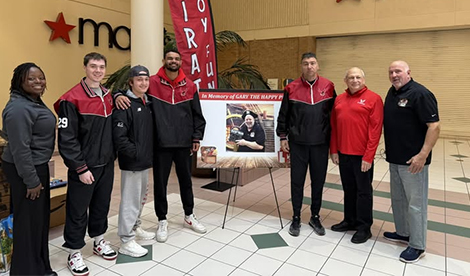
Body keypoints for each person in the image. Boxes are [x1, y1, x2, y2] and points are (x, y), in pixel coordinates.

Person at [115, 49, 206, 243]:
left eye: (177, 58)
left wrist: (196, 137)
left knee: (186, 182)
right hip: (160, 145)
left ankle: (189, 215)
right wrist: (116, 95)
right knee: (160, 185)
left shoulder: (189, 86)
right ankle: (162, 220)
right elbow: (132, 93)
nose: (173, 61)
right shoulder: (152, 82)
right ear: (164, 60)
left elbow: (197, 115)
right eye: (170, 58)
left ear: (181, 62)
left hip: (183, 144)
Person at [54, 52, 117, 276]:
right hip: (84, 168)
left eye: (101, 67)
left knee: (101, 205)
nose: (98, 71)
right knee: (78, 211)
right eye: (93, 66)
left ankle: (99, 241)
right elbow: (67, 139)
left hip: (106, 164)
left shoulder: (108, 95)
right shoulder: (71, 99)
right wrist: (80, 168)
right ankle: (74, 252)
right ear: (85, 68)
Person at [2, 63, 57, 276]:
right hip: (25, 170)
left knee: (37, 221)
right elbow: (19, 149)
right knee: (28, 223)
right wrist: (32, 181)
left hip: (35, 166)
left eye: (41, 78)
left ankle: (39, 266)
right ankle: (26, 271)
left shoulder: (32, 102)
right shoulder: (18, 108)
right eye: (31, 79)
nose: (38, 82)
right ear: (20, 82)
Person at [383, 60, 440, 263]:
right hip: (394, 159)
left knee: (416, 205)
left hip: (414, 162)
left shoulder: (420, 94)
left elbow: (434, 126)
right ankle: (403, 232)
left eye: (398, 71)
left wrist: (422, 155)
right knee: (398, 200)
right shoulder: (392, 93)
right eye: (391, 72)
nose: (394, 75)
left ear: (408, 72)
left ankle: (417, 245)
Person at [276, 52, 336, 237]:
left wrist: (333, 144)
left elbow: (334, 116)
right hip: (298, 144)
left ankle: (315, 216)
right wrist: (283, 137)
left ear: (318, 66)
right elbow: (283, 116)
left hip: (320, 144)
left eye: (312, 63)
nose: (309, 67)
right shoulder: (290, 88)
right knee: (297, 182)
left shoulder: (329, 86)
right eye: (305, 64)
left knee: (318, 182)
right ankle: (295, 218)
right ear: (301, 67)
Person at [329, 67, 383, 244]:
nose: (354, 80)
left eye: (358, 77)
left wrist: (368, 156)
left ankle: (364, 227)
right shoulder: (339, 99)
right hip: (343, 154)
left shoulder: (374, 99)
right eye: (351, 77)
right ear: (345, 80)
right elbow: (334, 127)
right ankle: (350, 220)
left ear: (364, 79)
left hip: (362, 157)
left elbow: (375, 131)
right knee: (349, 189)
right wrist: (334, 150)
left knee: (363, 192)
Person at [113, 65, 155, 257]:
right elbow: (119, 137)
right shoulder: (124, 104)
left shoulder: (147, 102)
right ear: (131, 82)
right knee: (130, 201)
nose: (143, 83)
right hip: (132, 162)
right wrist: (136, 154)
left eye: (146, 79)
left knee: (140, 199)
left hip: (145, 161)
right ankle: (126, 240)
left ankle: (136, 227)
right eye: (139, 80)